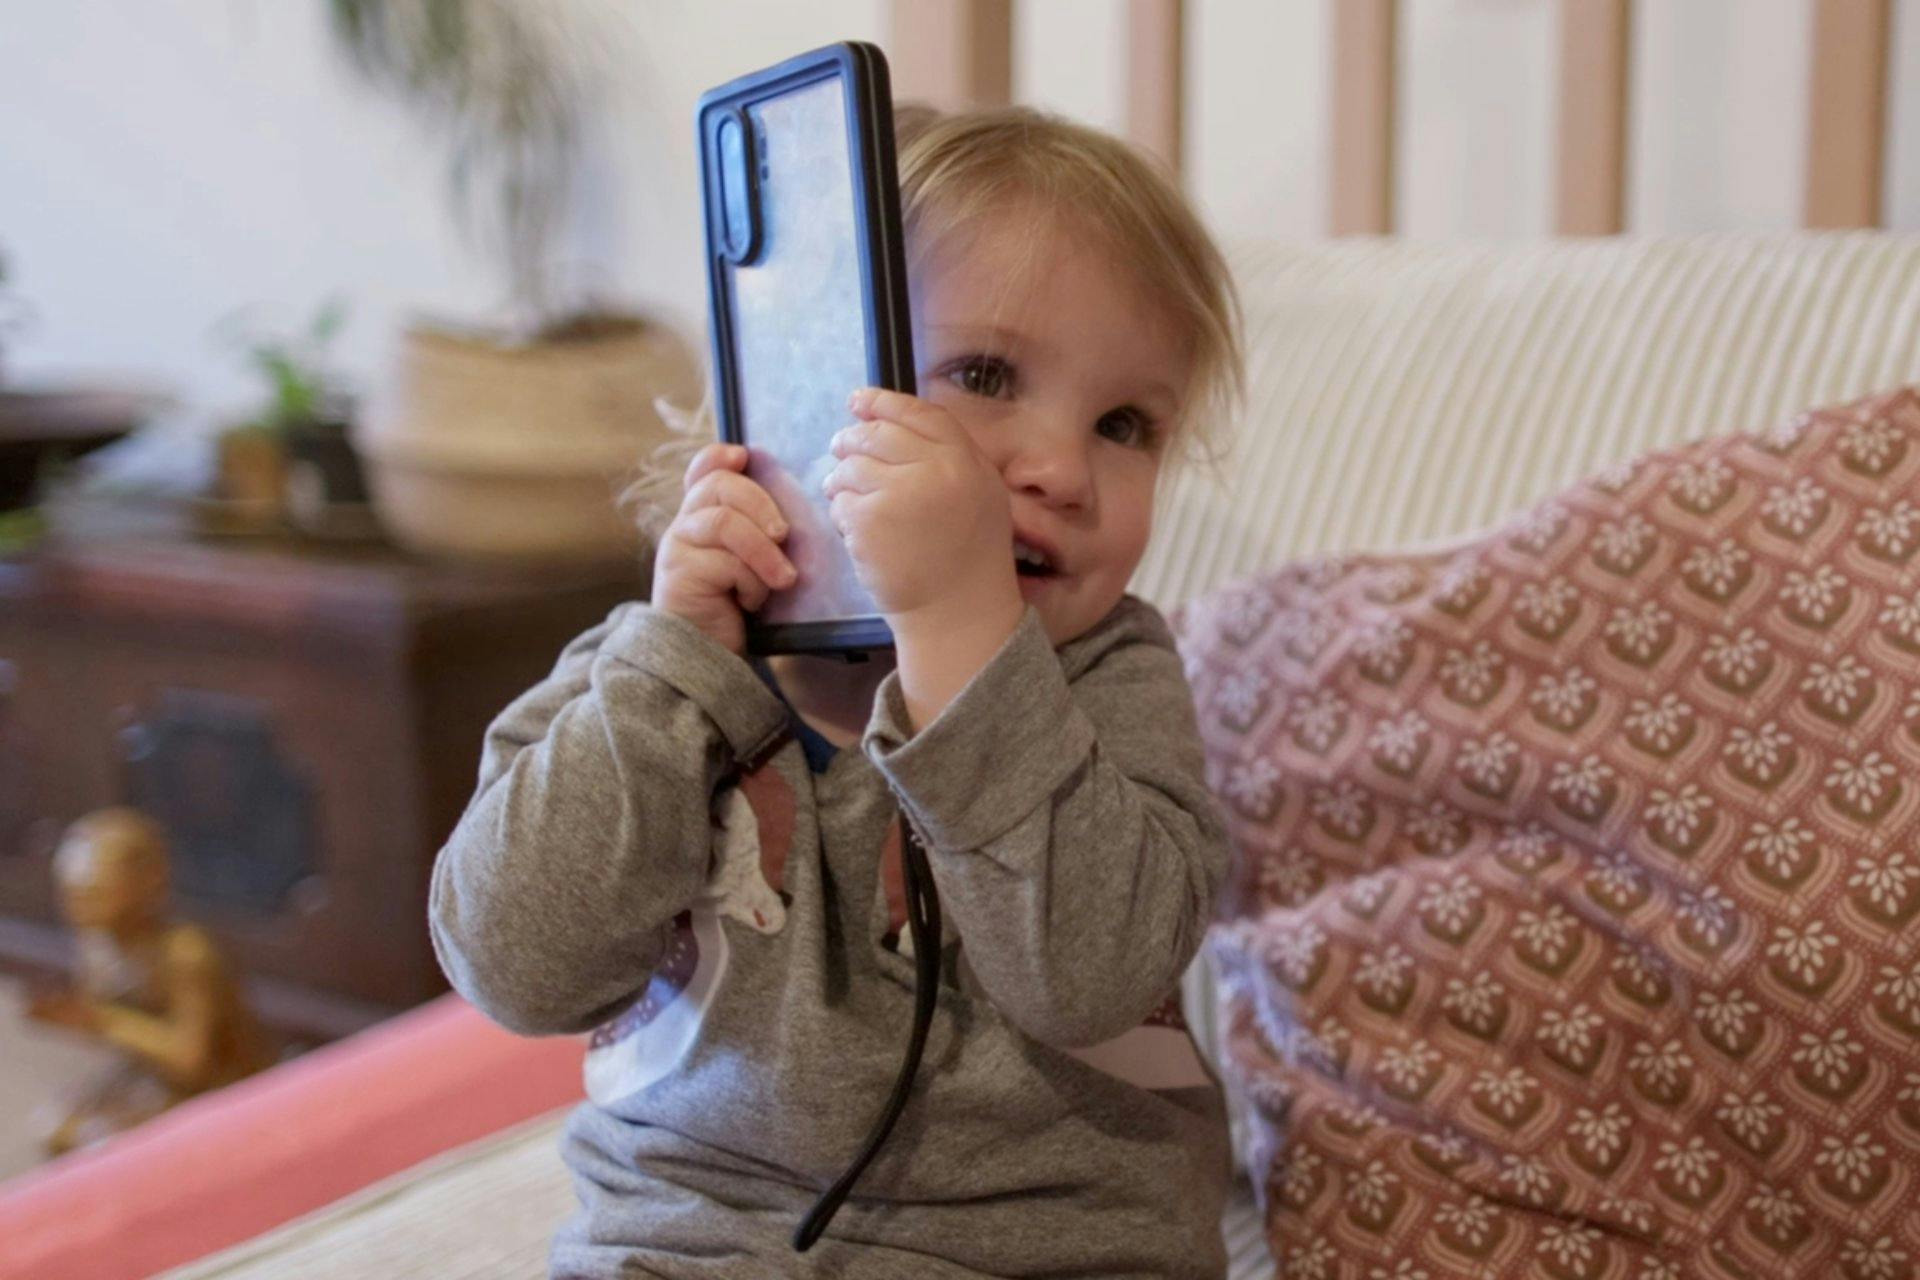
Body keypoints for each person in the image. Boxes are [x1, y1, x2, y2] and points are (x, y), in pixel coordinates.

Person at [430, 104, 1244, 1278]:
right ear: (796, 380)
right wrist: (678, 674)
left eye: (1125, 424)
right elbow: (518, 965)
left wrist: (962, 630)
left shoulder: (1110, 675)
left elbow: (1092, 972)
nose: (1065, 469)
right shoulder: (650, 672)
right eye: (983, 374)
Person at [26, 807, 275, 1155]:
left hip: (216, 1082)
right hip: (149, 1073)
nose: (78, 906)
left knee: (100, 1144)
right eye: (70, 892)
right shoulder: (99, 944)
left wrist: (101, 1021)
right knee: (54, 1126)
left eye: (94, 893)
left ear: (147, 881)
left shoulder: (185, 955)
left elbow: (193, 1062)